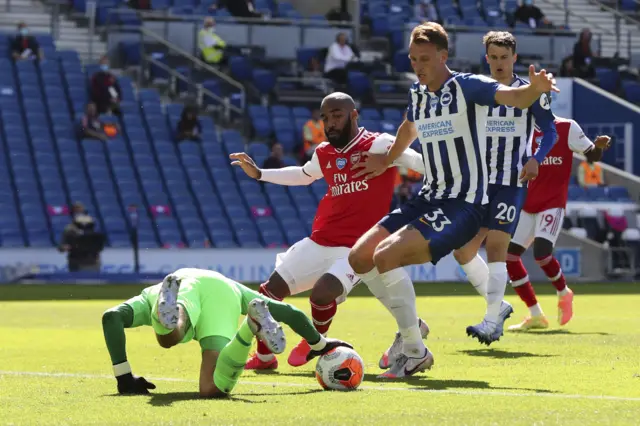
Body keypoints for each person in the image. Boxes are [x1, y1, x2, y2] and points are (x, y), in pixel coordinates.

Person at [346, 22, 558, 378]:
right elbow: (408, 128)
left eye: (425, 59)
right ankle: (411, 327)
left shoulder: (467, 86)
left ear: (443, 56)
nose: (418, 65)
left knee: (386, 256)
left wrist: (533, 91)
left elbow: (514, 98)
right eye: (413, 59)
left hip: (464, 203)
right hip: (429, 195)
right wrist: (387, 159)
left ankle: (414, 350)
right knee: (359, 257)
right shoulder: (417, 93)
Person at [229, 92, 428, 371]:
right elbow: (303, 175)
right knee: (267, 294)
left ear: (354, 115)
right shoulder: (324, 152)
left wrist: (390, 161)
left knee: (322, 295)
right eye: (325, 118)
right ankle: (265, 358)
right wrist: (261, 173)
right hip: (321, 240)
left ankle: (316, 342)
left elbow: (420, 162)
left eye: (337, 115)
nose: (331, 123)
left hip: (358, 249)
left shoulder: (379, 144)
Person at [451, 31, 558, 346]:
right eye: (493, 57)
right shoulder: (478, 91)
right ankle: (499, 307)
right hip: (479, 183)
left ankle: (490, 321)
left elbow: (549, 129)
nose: (499, 63)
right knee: (463, 252)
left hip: (511, 182)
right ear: (487, 58)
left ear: (514, 57)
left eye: (504, 57)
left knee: (497, 248)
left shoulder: (530, 93)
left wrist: (537, 158)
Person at [102, 268, 351, 396]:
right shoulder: (234, 287)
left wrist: (124, 379)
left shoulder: (156, 290)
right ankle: (249, 328)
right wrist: (319, 344)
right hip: (223, 294)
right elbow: (289, 312)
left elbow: (110, 318)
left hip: (177, 280)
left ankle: (169, 314)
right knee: (210, 388)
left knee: (168, 337)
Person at [507, 118, 611, 331]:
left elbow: (591, 156)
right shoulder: (519, 127)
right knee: (510, 257)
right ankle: (536, 314)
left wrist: (598, 147)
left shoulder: (567, 127)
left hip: (552, 203)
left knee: (542, 254)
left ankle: (564, 293)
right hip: (527, 204)